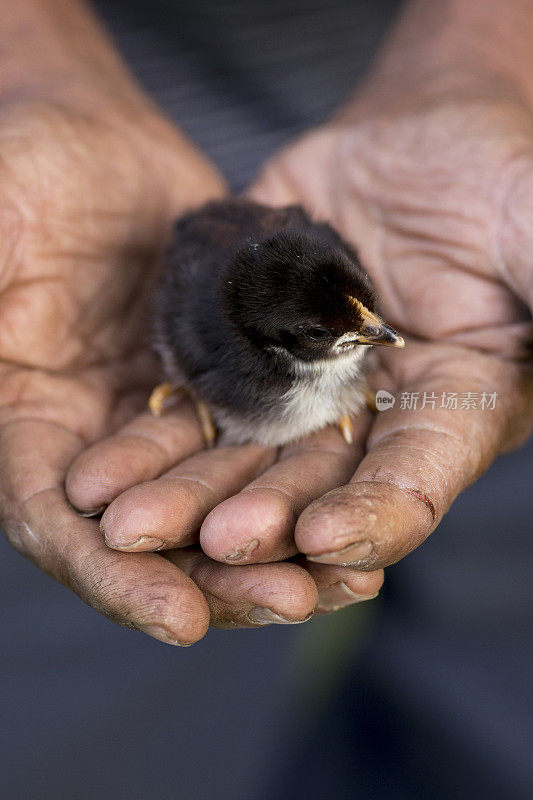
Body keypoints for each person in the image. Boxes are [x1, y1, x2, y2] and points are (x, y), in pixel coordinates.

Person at [1, 0, 532, 651]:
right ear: (272, 345)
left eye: (365, 314)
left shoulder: (330, 288)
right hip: (122, 116)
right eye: (341, 331)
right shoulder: (219, 350)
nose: (380, 334)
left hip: (432, 154)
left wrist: (482, 68)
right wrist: (33, 75)